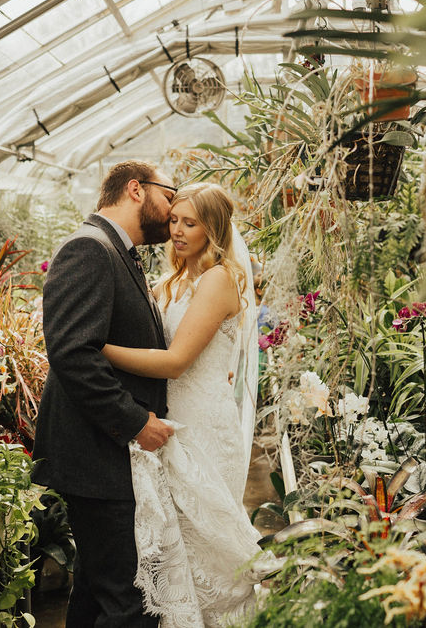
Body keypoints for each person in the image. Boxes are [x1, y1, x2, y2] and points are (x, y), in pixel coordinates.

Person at [101, 182, 262, 627]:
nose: (176, 230)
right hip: (176, 424)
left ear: (214, 229)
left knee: (209, 551)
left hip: (205, 426)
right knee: (181, 548)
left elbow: (175, 361)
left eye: (190, 223)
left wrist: (99, 350)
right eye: (173, 220)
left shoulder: (219, 279)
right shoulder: (174, 280)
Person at [32, 160, 178, 628]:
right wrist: (136, 421)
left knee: (98, 590)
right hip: (99, 453)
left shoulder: (117, 250)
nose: (172, 210)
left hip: (105, 454)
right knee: (129, 599)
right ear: (136, 189)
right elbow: (73, 353)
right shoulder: (88, 248)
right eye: (169, 195)